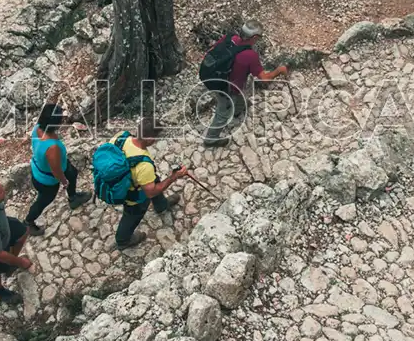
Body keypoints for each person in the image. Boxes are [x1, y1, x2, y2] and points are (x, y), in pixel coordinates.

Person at [203, 19, 289, 147]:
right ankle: (211, 139)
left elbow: (212, 50)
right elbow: (264, 78)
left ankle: (237, 110)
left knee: (239, 98)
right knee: (222, 113)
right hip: (226, 88)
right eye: (259, 37)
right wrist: (278, 71)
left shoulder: (230, 37)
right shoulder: (250, 56)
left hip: (214, 77)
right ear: (254, 37)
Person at [113, 117, 188, 250]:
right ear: (149, 139)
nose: (156, 140)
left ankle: (161, 205)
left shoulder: (120, 138)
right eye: (155, 137)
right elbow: (151, 191)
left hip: (124, 179)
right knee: (132, 215)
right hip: (133, 196)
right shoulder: (144, 165)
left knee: (154, 180)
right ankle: (123, 240)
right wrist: (174, 177)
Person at [26, 103, 91, 236]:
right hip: (47, 178)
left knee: (73, 173)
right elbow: (55, 170)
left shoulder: (37, 128)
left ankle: (73, 198)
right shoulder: (52, 147)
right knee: (44, 200)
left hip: (42, 167)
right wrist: (64, 181)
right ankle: (28, 222)